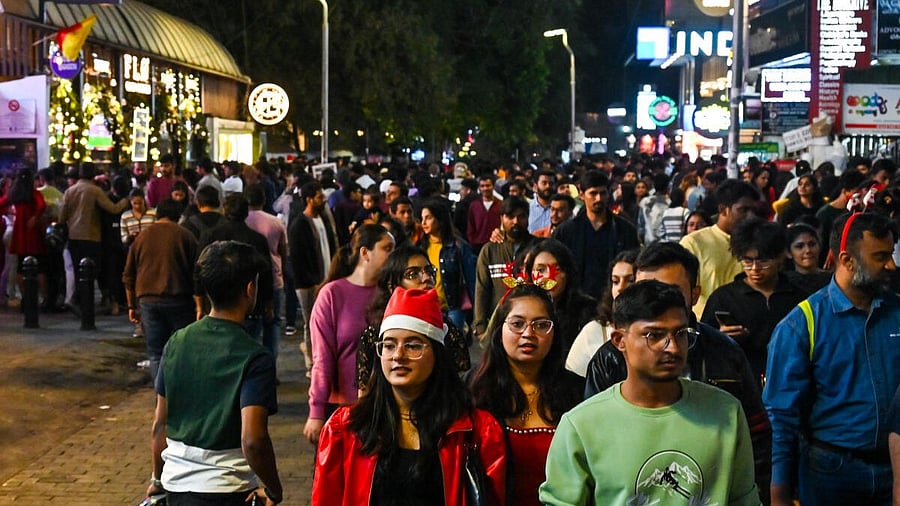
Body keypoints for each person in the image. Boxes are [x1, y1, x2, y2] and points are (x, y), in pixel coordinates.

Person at [540, 280, 761, 505]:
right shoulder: (581, 426)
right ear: (619, 340)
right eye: (654, 335)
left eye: (681, 333)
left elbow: (744, 499)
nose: (673, 347)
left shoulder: (725, 412)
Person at [584, 242, 772, 499]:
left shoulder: (724, 352)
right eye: (645, 289)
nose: (657, 300)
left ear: (694, 294)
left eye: (668, 290)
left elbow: (756, 436)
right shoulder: (610, 358)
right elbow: (594, 442)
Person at [312, 287, 507, 505]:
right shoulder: (344, 429)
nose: (398, 355)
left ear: (437, 354)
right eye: (389, 345)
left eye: (413, 346)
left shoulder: (476, 431)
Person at [765, 212, 900, 506]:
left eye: (890, 254)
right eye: (880, 256)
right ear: (847, 260)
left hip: (895, 472)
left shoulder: (896, 312)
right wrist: (779, 492)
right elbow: (781, 417)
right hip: (830, 474)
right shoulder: (801, 325)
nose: (891, 265)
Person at [147, 240, 282, 506]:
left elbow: (160, 424)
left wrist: (157, 480)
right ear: (250, 289)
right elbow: (253, 439)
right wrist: (274, 489)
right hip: (228, 490)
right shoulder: (255, 356)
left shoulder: (176, 342)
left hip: (176, 487)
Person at [470, 284, 583, 506]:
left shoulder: (577, 392)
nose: (528, 334)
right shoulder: (474, 391)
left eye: (541, 325)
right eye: (517, 324)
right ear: (499, 329)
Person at [303, 224, 395, 444]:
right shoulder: (332, 295)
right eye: (387, 248)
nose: (393, 255)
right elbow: (322, 358)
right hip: (342, 407)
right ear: (365, 252)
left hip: (384, 406)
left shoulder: (391, 294)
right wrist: (316, 411)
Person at [700, 218, 809, 381]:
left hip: (791, 377)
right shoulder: (724, 298)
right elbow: (703, 344)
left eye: (763, 261)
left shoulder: (798, 298)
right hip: (742, 381)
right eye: (747, 261)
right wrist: (721, 337)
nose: (755, 269)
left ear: (780, 257)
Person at [356, 244, 471, 393]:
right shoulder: (375, 335)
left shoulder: (448, 330)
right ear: (392, 286)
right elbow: (365, 394)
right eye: (413, 274)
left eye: (429, 271)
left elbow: (461, 385)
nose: (426, 278)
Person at [123, 198, 198, 383]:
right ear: (178, 216)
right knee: (183, 350)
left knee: (156, 353)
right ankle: (181, 390)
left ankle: (161, 394)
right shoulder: (185, 236)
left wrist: (131, 306)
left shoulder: (142, 237)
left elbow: (129, 275)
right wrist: (200, 304)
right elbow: (196, 274)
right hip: (180, 299)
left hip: (148, 300)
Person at [554, 170, 639, 300]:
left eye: (603, 193)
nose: (599, 198)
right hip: (576, 300)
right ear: (582, 194)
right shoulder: (566, 232)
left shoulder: (625, 230)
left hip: (614, 299)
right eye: (593, 193)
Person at [680, 179, 759, 318]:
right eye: (743, 210)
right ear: (723, 210)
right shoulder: (694, 243)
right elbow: (684, 291)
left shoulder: (757, 242)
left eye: (753, 211)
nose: (750, 216)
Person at [289, 181, 338, 375]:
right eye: (319, 197)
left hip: (326, 279)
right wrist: (313, 282)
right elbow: (297, 258)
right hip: (308, 283)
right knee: (311, 323)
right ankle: (312, 363)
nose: (323, 199)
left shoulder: (323, 218)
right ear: (309, 199)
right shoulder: (299, 224)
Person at [566, 248, 638, 377]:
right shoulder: (594, 330)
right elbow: (571, 382)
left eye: (630, 280)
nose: (620, 288)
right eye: (615, 282)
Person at [473, 196, 537, 339]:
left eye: (521, 216)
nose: (516, 221)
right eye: (510, 217)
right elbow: (482, 289)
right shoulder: (490, 250)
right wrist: (480, 326)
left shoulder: (538, 248)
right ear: (502, 218)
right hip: (498, 326)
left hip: (531, 325)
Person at [522, 239, 597, 356]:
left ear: (567, 273)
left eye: (557, 269)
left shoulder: (588, 310)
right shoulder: (520, 308)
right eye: (541, 270)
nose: (549, 277)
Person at [418, 199, 476, 331]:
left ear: (440, 219)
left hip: (454, 307)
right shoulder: (421, 248)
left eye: (428, 218)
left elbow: (471, 280)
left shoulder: (458, 246)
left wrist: (476, 314)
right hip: (428, 306)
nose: (423, 223)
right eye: (422, 218)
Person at [783, 222, 831, 293]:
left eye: (812, 244)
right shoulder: (784, 283)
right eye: (800, 246)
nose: (808, 250)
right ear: (788, 253)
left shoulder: (832, 280)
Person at [467, 175, 503, 254]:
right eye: (482, 186)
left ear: (493, 186)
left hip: (496, 244)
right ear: (479, 188)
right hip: (477, 245)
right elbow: (470, 225)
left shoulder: (500, 204)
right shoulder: (474, 205)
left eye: (488, 185)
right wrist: (472, 240)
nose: (485, 188)